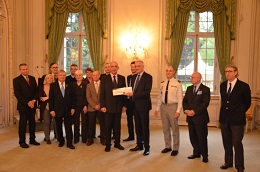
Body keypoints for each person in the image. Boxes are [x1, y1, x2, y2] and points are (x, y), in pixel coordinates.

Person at [219, 64, 251, 172]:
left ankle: (239, 166)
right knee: (226, 142)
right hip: (224, 119)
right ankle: (228, 162)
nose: (227, 73)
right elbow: (224, 102)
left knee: (237, 142)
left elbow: (247, 103)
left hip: (237, 120)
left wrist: (239, 112)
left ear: (236, 72)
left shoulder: (243, 86)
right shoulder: (222, 85)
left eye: (230, 71)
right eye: (226, 71)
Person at [154, 66, 183, 156]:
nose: (168, 72)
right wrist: (157, 109)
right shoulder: (163, 83)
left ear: (173, 72)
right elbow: (160, 97)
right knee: (165, 128)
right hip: (163, 107)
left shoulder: (177, 83)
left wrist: (178, 110)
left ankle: (175, 148)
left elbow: (180, 98)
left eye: (170, 71)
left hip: (173, 107)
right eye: (167, 71)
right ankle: (167, 146)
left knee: (174, 128)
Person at [182, 72, 210, 163]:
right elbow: (185, 101)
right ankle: (196, 153)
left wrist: (194, 111)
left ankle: (205, 155)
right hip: (190, 117)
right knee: (192, 136)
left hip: (200, 117)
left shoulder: (206, 89)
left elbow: (205, 104)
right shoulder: (189, 88)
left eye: (193, 77)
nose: (191, 78)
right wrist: (186, 110)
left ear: (198, 78)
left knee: (202, 137)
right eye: (191, 77)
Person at [126, 60, 153, 156]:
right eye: (135, 66)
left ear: (142, 67)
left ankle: (147, 147)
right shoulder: (133, 78)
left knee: (144, 127)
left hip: (143, 106)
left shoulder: (148, 77)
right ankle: (139, 144)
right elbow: (131, 90)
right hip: (134, 106)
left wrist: (133, 94)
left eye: (138, 66)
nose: (136, 68)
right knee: (137, 126)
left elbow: (146, 92)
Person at [100, 61, 127, 152]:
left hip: (118, 107)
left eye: (115, 66)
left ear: (118, 67)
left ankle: (117, 143)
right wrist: (102, 105)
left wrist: (124, 105)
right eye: (112, 66)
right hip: (107, 107)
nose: (114, 68)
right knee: (108, 127)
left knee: (117, 126)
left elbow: (124, 93)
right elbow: (102, 93)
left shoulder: (122, 78)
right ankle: (108, 144)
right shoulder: (104, 78)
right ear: (109, 68)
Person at [13, 63, 40, 148]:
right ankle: (22, 142)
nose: (25, 70)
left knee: (32, 123)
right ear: (20, 70)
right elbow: (17, 94)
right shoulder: (16, 80)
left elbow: (37, 91)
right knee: (23, 124)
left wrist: (33, 101)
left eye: (26, 69)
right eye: (23, 69)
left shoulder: (32, 78)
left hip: (32, 105)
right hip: (23, 106)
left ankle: (32, 139)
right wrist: (27, 102)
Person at [49, 69, 75, 149]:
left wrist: (73, 108)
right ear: (57, 76)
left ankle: (69, 143)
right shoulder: (53, 85)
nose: (62, 77)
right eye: (61, 75)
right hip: (57, 110)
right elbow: (51, 99)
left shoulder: (70, 84)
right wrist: (52, 110)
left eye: (64, 75)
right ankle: (61, 141)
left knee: (68, 127)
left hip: (68, 109)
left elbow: (73, 98)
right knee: (58, 126)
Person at [86, 71, 106, 146]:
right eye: (94, 75)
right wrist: (95, 105)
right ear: (92, 76)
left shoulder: (103, 84)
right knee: (91, 124)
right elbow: (88, 97)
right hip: (92, 108)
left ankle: (103, 138)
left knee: (102, 124)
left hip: (102, 107)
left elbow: (105, 96)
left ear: (99, 75)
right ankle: (90, 139)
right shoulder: (89, 85)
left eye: (97, 75)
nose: (95, 76)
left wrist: (100, 105)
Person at [38, 74, 57, 144]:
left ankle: (58, 136)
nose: (49, 79)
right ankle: (47, 138)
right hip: (45, 107)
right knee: (47, 123)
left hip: (54, 107)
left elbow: (56, 97)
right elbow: (41, 98)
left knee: (56, 122)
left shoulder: (55, 86)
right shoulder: (41, 87)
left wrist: (47, 98)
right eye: (48, 78)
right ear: (45, 79)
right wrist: (49, 98)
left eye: (51, 78)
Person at [72, 70, 88, 144]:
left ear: (82, 76)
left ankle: (84, 138)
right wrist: (72, 107)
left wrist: (85, 105)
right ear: (75, 77)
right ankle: (76, 138)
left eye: (80, 75)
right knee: (76, 122)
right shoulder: (73, 84)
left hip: (83, 105)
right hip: (75, 106)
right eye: (77, 75)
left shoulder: (86, 84)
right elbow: (71, 97)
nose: (78, 76)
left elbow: (87, 96)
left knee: (84, 122)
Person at [123, 61, 136, 142]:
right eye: (131, 67)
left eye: (134, 67)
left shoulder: (139, 77)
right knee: (129, 120)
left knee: (138, 121)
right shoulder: (128, 77)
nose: (132, 68)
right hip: (129, 102)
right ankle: (131, 135)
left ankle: (139, 138)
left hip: (137, 102)